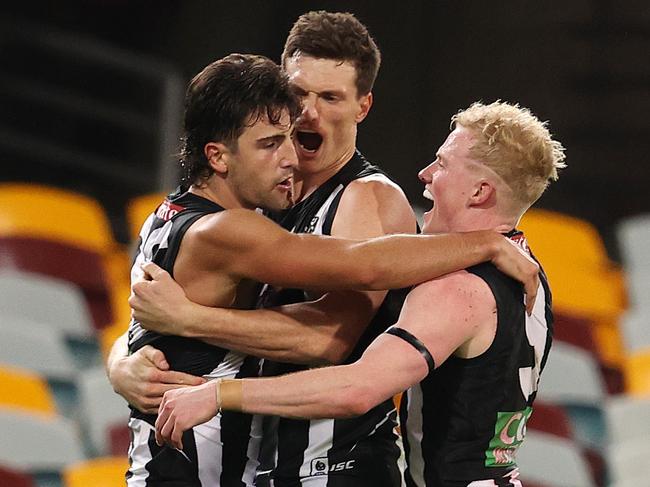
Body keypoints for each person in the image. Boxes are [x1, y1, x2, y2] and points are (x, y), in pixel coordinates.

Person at [109, 12, 538, 487]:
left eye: (330, 97)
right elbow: (147, 313)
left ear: (363, 107)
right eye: (297, 96)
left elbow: (332, 339)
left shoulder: (366, 197)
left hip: (335, 469)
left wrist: (189, 321)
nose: (308, 113)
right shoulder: (258, 203)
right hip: (254, 465)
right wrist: (123, 366)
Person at [153, 100, 567, 487]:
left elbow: (358, 389)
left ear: (479, 192)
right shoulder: (529, 271)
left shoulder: (457, 288)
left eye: (441, 164)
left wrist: (218, 393)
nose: (424, 173)